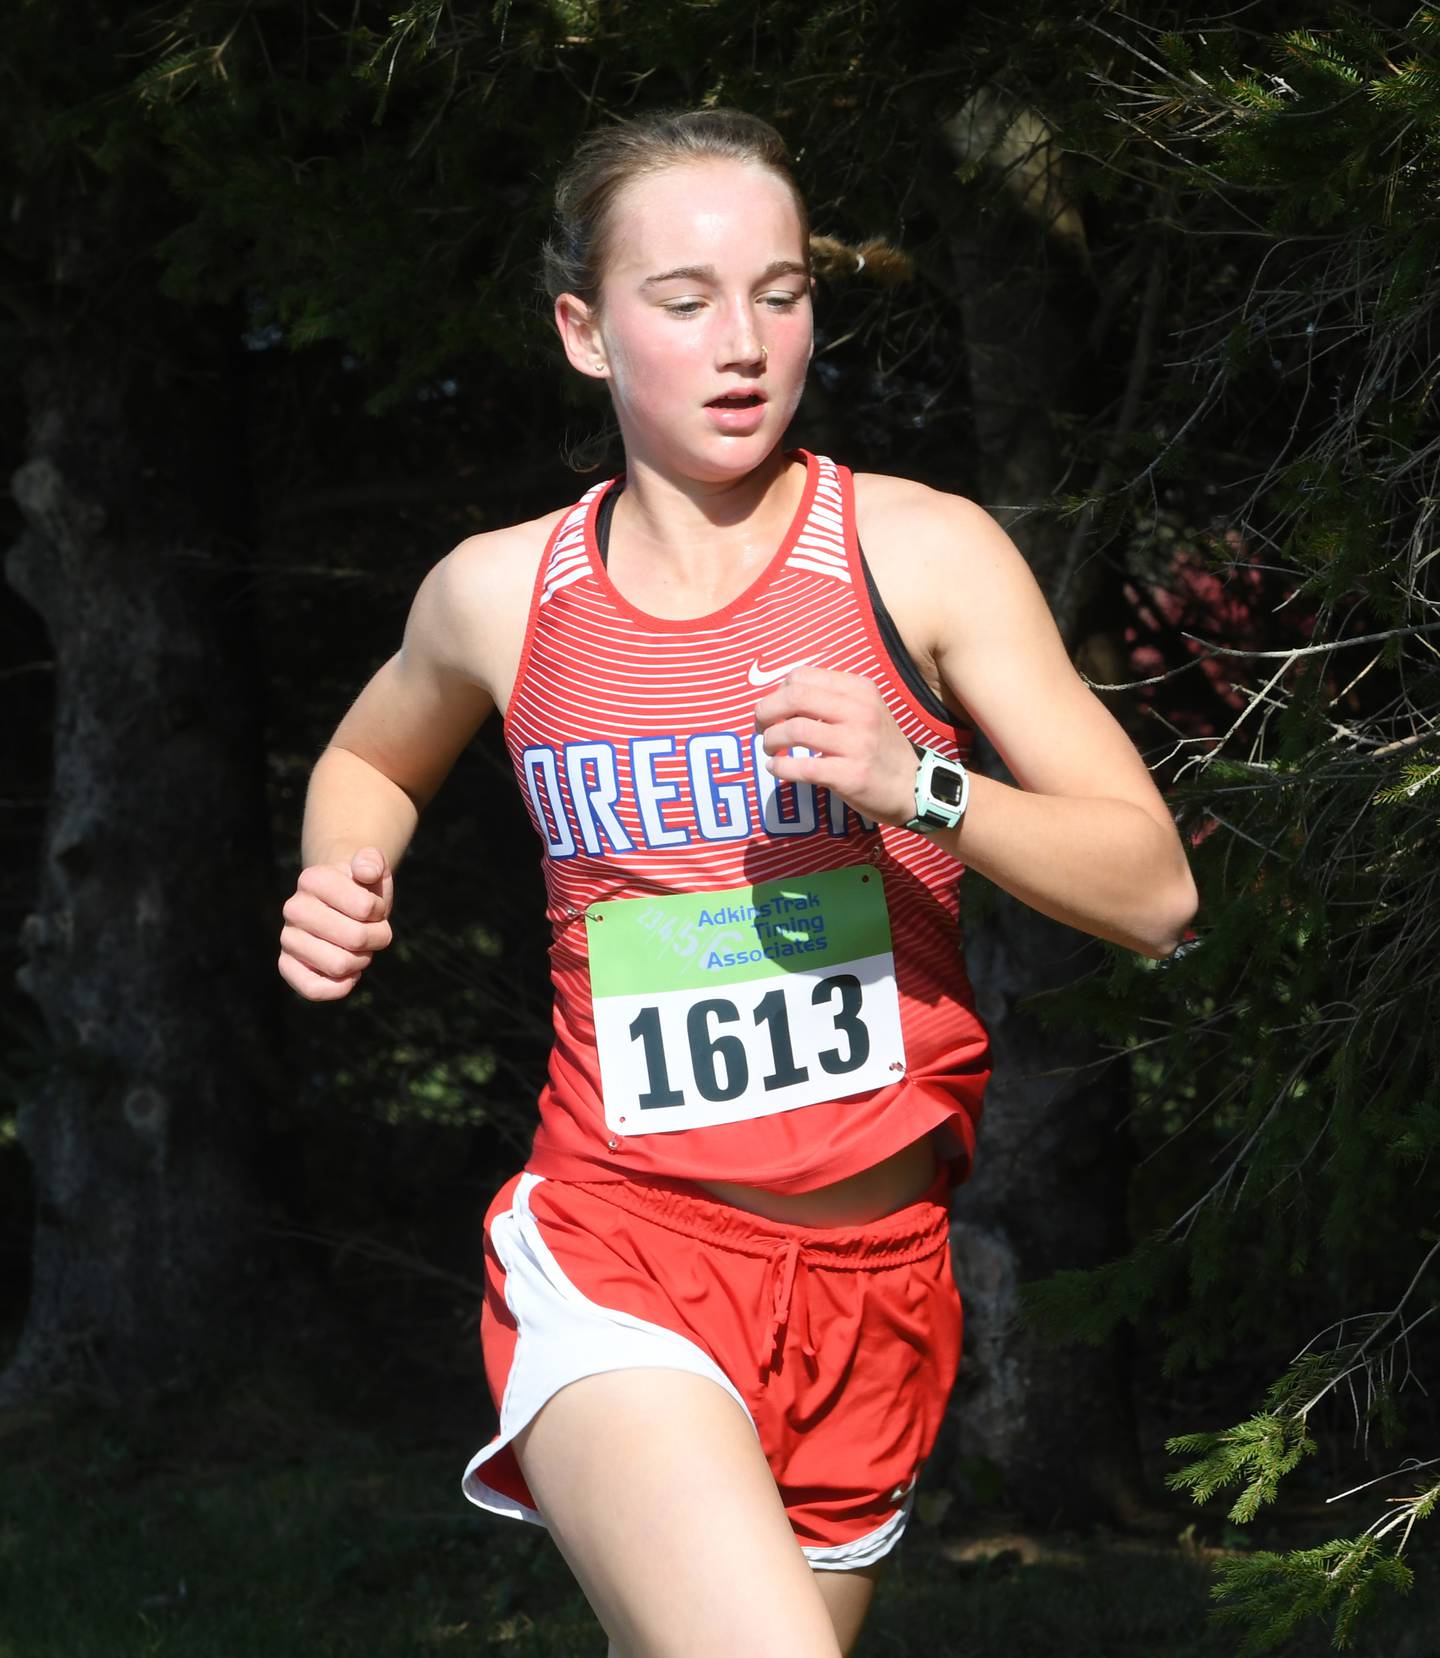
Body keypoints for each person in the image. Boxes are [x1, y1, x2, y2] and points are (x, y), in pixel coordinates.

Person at [278, 108, 1198, 1658]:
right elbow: (371, 760)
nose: (743, 342)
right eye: (685, 298)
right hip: (623, 1247)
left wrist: (920, 784)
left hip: (876, 1284)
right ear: (584, 329)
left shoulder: (919, 555)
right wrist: (337, 870)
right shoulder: (503, 594)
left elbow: (1156, 888)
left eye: (780, 292)